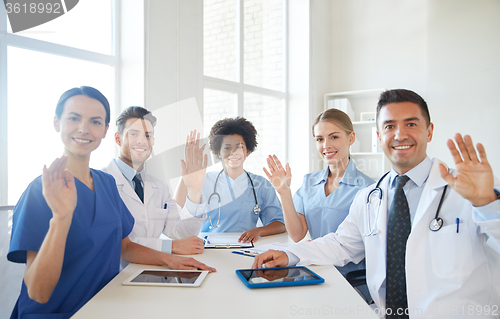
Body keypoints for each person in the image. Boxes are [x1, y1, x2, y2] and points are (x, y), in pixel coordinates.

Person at [253, 89, 500, 318]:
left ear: (429, 130)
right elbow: (340, 245)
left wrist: (488, 204)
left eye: (411, 124)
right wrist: (289, 253)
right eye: (390, 126)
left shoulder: (470, 189)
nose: (400, 134)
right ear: (379, 135)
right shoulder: (370, 197)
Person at [7, 87, 215, 318]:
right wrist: (61, 218)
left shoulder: (105, 183)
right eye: (74, 118)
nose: (84, 128)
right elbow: (38, 292)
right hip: (56, 314)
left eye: (95, 121)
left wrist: (171, 260)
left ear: (105, 130)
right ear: (57, 123)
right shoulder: (39, 192)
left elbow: (125, 247)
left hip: (105, 305)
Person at [103, 106, 205, 255]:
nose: (141, 141)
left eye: (147, 135)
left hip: (157, 273)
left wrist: (194, 191)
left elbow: (181, 235)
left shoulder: (159, 187)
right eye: (133, 134)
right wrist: (169, 247)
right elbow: (114, 241)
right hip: (119, 275)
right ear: (118, 139)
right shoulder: (101, 183)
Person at [175, 117, 285, 243]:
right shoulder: (202, 180)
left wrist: (258, 231)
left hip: (245, 248)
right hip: (207, 248)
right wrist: (184, 178)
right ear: (219, 153)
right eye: (227, 148)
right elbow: (176, 210)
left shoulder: (261, 185)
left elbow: (280, 223)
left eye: (240, 147)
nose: (234, 152)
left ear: (247, 151)